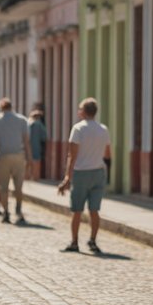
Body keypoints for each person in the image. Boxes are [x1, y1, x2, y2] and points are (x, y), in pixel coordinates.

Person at [57, 98, 111, 254]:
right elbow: (107, 154)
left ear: (84, 112)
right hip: (99, 172)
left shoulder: (78, 129)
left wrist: (67, 177)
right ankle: (93, 241)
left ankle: (74, 242)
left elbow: (71, 155)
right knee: (94, 210)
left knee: (77, 210)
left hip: (81, 173)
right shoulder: (103, 129)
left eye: (80, 109)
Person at [0, 97, 30, 224]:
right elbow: (26, 141)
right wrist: (30, 159)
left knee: (3, 188)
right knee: (18, 187)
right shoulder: (22, 120)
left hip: (3, 157)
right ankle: (19, 211)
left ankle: (6, 212)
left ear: (0, 107)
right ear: (11, 107)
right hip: (18, 156)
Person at [27, 108, 47, 181]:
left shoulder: (27, 123)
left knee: (27, 161)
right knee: (36, 162)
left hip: (27, 145)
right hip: (36, 145)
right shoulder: (39, 124)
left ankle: (27, 176)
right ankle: (36, 177)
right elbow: (44, 136)